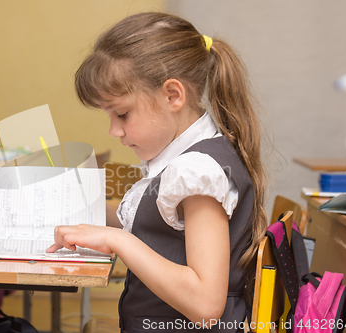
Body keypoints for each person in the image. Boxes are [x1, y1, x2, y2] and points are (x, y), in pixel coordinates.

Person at [46, 12, 267, 332]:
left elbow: (206, 305)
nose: (113, 131)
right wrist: (84, 211)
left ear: (173, 96)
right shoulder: (180, 159)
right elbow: (160, 229)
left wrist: (117, 240)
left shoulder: (196, 173)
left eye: (122, 114)